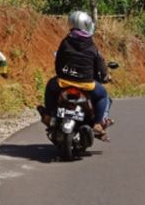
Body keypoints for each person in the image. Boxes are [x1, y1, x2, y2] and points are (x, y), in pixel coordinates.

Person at [38, 10, 114, 140]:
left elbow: (58, 63)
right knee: (103, 95)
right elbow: (100, 67)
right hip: (86, 84)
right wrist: (105, 76)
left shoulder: (66, 41)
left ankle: (48, 115)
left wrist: (63, 74)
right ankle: (96, 124)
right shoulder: (92, 45)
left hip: (64, 82)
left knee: (50, 87)